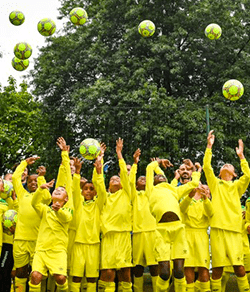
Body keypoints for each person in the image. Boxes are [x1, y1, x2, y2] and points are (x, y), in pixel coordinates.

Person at [203, 130, 250, 292]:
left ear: (234, 174)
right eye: (223, 165)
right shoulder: (215, 185)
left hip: (234, 231)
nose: (225, 165)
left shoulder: (237, 186)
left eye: (229, 165)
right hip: (217, 230)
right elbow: (206, 167)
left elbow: (248, 175)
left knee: (239, 268)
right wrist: (209, 146)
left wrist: (241, 156)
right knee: (217, 269)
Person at [146, 157, 201, 292]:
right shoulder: (151, 190)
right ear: (153, 181)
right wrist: (158, 162)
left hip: (178, 230)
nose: (160, 176)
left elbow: (194, 183)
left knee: (178, 271)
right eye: (157, 176)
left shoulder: (174, 190)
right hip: (161, 231)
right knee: (164, 273)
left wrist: (196, 170)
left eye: (162, 176)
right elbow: (149, 168)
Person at [29, 137, 73, 292]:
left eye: (62, 191)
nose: (58, 190)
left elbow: (67, 218)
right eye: (56, 189)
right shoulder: (46, 209)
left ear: (66, 198)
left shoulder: (67, 209)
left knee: (60, 278)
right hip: (41, 249)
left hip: (58, 250)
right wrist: (40, 189)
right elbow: (34, 204)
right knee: (35, 276)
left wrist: (65, 155)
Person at [95, 138, 133, 292]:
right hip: (109, 236)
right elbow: (99, 183)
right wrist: (99, 167)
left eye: (117, 178)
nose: (116, 179)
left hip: (124, 235)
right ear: (108, 185)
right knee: (108, 272)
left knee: (125, 271)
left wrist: (119, 154)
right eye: (112, 179)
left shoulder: (126, 193)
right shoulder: (104, 197)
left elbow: (124, 174)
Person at [12, 160, 51, 292]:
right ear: (27, 183)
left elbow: (47, 197)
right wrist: (24, 163)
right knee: (21, 272)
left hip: (38, 241)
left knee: (37, 274)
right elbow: (14, 177)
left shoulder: (42, 196)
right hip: (20, 240)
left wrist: (41, 178)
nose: (33, 183)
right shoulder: (22, 194)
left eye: (35, 181)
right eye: (30, 181)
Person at [70, 153, 105, 292]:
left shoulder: (99, 204)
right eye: (86, 189)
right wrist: (77, 173)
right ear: (82, 191)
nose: (89, 191)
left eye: (91, 189)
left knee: (91, 278)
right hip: (78, 243)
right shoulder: (78, 204)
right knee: (76, 277)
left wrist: (98, 172)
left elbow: (102, 190)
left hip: (94, 244)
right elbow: (74, 191)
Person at [129, 149, 163, 292]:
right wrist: (135, 164)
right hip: (137, 233)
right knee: (137, 266)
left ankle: (157, 289)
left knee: (154, 264)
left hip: (152, 232)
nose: (143, 179)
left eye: (145, 178)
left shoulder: (153, 192)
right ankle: (137, 289)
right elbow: (130, 181)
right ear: (137, 185)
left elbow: (162, 179)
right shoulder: (134, 195)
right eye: (140, 179)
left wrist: (156, 166)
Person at [179, 182, 213, 292]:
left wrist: (205, 199)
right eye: (203, 188)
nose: (204, 190)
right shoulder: (187, 199)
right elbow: (182, 209)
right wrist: (190, 196)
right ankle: (190, 289)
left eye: (207, 190)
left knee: (203, 267)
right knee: (188, 266)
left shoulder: (208, 203)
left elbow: (210, 213)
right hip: (187, 235)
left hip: (202, 235)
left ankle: (205, 289)